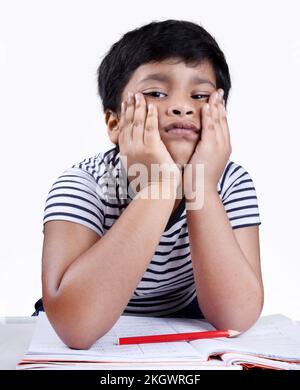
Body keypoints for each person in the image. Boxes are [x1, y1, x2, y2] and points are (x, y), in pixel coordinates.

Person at [33, 20, 264, 349]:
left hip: (185, 323)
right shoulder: (83, 184)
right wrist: (160, 187)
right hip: (88, 314)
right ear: (114, 122)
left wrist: (202, 187)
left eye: (200, 95)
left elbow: (236, 318)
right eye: (156, 93)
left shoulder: (231, 183)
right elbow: (76, 328)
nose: (182, 106)